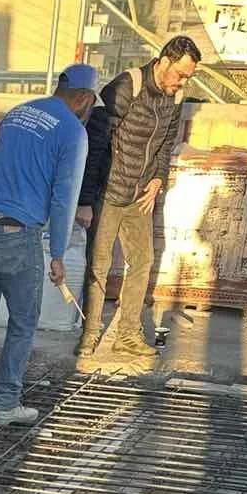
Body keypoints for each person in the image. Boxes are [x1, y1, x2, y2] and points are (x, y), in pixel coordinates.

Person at [0, 63, 96, 429]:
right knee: (22, 322)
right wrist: (57, 252)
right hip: (17, 237)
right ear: (84, 98)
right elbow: (64, 197)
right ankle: (5, 403)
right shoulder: (72, 132)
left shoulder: (17, 114)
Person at [75, 36, 202, 372]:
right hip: (108, 192)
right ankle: (89, 334)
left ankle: (128, 334)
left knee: (142, 262)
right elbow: (95, 145)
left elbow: (165, 146)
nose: (182, 81)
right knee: (98, 266)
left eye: (188, 77)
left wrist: (159, 178)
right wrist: (86, 200)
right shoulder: (127, 85)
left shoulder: (174, 99)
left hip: (139, 197)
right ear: (164, 60)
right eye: (180, 74)